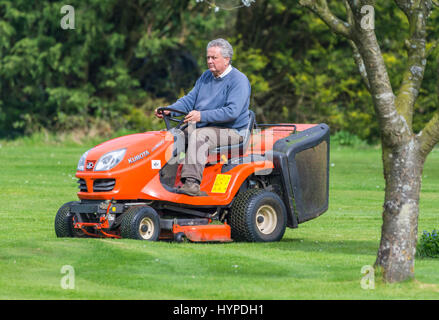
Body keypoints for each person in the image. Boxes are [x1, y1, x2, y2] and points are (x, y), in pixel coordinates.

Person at [155, 38, 251, 196]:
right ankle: (165, 181)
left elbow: (232, 112)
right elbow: (189, 100)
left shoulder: (238, 80)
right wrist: (170, 110)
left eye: (214, 58)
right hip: (206, 126)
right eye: (208, 57)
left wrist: (201, 115)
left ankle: (191, 184)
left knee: (201, 136)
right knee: (172, 136)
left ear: (227, 59)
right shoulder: (207, 77)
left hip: (232, 131)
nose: (210, 61)